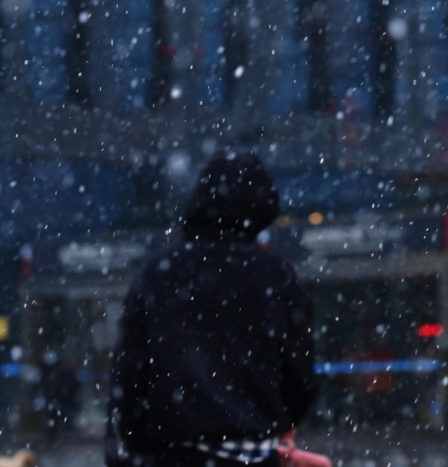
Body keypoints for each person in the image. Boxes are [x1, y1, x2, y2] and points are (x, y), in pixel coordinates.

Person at [107, 150, 318, 467]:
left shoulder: (158, 273)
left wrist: (132, 448)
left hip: (167, 456)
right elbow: (299, 380)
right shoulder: (275, 276)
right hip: (251, 455)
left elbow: (128, 378)